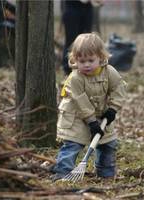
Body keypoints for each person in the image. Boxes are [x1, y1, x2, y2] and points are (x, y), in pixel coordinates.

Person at [51, 33, 127, 181]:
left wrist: (113, 109)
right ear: (75, 59)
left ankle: (106, 174)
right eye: (82, 61)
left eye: (91, 60)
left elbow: (119, 88)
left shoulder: (109, 72)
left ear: (101, 57)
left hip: (103, 115)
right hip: (77, 117)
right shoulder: (75, 78)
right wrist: (91, 122)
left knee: (107, 144)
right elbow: (81, 102)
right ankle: (62, 172)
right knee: (72, 144)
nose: (86, 65)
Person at [61, 0, 103, 76]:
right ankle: (68, 70)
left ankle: (85, 69)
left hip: (87, 10)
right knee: (71, 42)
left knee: (86, 41)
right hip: (72, 9)